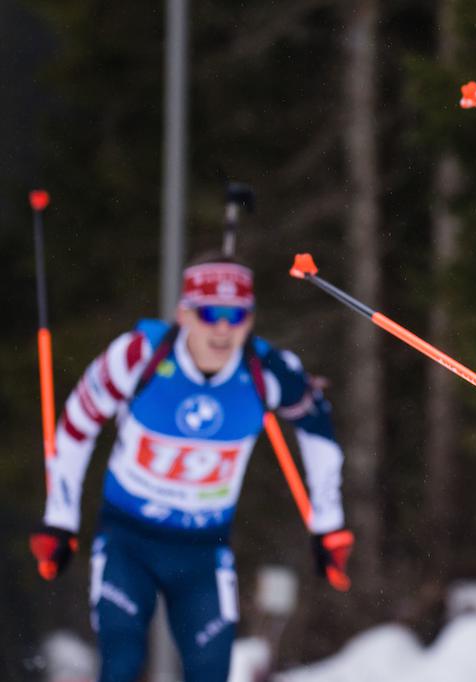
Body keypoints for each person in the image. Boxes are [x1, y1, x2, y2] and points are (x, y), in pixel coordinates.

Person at [29, 254, 353, 682]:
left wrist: (328, 525)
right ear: (184, 313)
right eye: (209, 313)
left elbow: (319, 434)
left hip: (203, 547)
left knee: (210, 670)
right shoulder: (137, 356)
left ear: (250, 319)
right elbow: (75, 426)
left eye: (236, 315)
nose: (222, 328)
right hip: (129, 539)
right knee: (122, 660)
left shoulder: (266, 371)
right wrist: (60, 520)